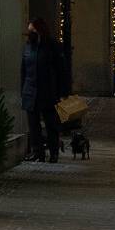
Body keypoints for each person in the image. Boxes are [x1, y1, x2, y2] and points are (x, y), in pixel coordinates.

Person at [20, 17, 68, 163]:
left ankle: (54, 153)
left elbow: (61, 70)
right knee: (33, 125)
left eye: (32, 30)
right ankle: (37, 152)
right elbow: (24, 70)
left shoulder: (52, 46)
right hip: (30, 90)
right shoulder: (28, 47)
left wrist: (62, 92)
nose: (30, 33)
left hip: (47, 92)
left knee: (51, 124)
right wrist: (23, 89)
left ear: (40, 31)